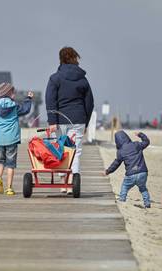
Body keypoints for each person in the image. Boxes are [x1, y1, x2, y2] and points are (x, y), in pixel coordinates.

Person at [45, 47, 94, 193]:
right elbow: (89, 103)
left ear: (61, 59)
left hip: (59, 120)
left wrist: (52, 121)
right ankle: (73, 181)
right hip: (78, 119)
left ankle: (63, 183)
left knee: (60, 150)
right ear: (75, 58)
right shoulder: (83, 79)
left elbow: (50, 100)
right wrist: (86, 121)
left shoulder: (55, 78)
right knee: (75, 151)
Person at [0, 82, 34, 195]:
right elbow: (26, 110)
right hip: (12, 140)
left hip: (0, 140)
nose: (14, 94)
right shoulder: (14, 107)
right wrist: (28, 99)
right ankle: (9, 188)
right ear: (9, 94)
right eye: (13, 92)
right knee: (10, 164)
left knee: (1, 161)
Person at [104, 130, 151, 208]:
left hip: (131, 174)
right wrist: (140, 134)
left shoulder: (120, 152)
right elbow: (146, 142)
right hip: (143, 172)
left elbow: (116, 164)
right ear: (127, 137)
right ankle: (147, 203)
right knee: (143, 188)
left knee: (125, 186)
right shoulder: (136, 145)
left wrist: (108, 171)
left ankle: (122, 199)